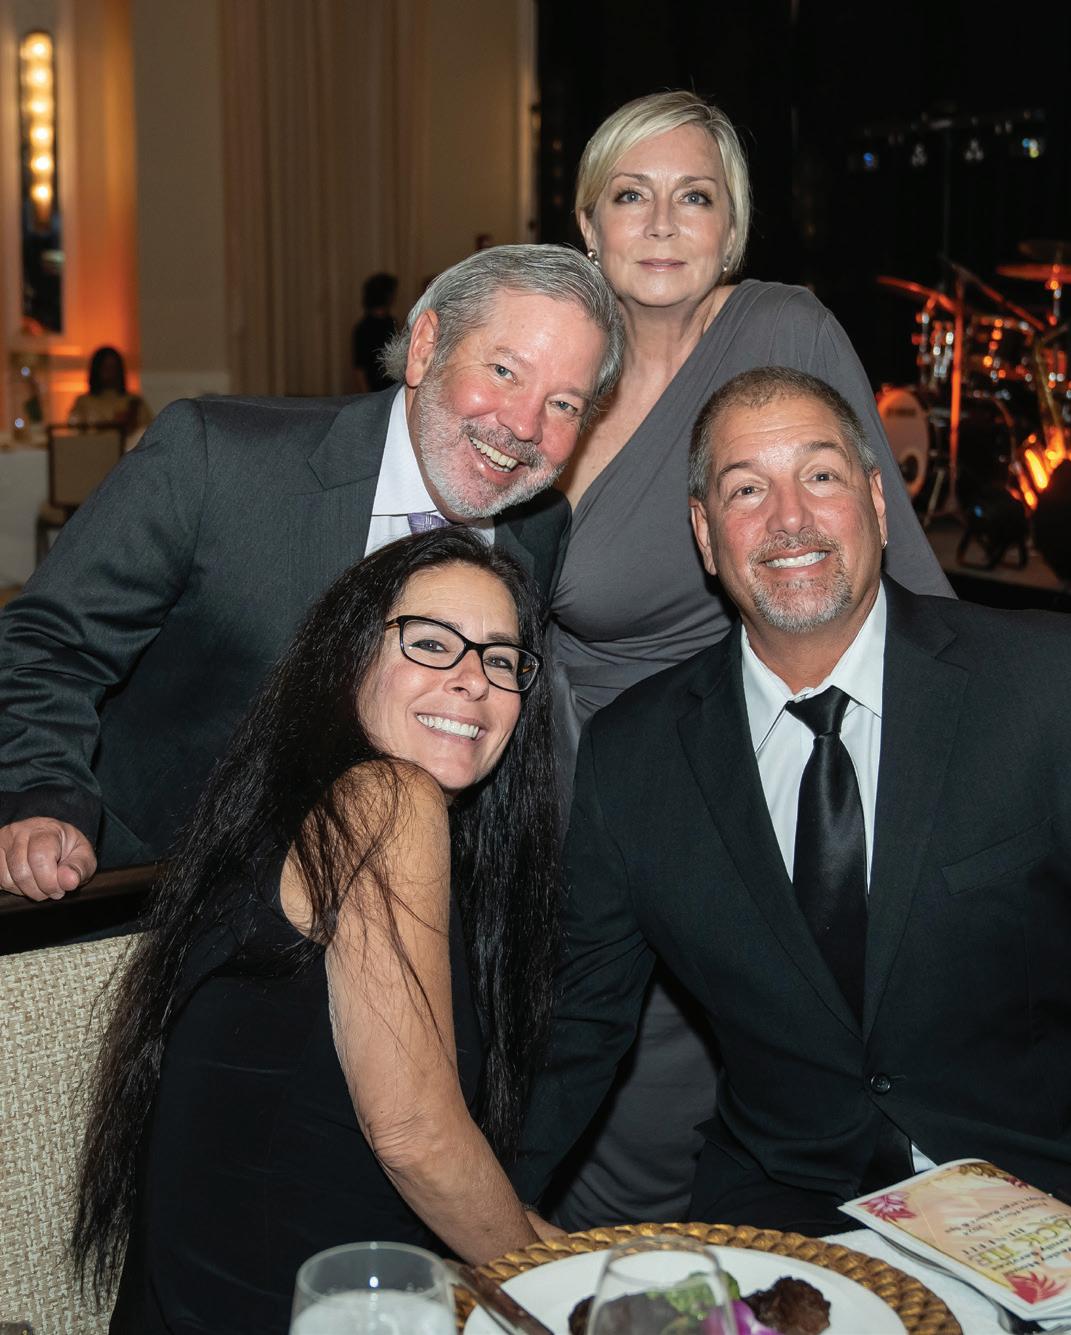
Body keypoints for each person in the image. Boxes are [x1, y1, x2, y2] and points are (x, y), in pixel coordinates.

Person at [515, 366, 1071, 1236]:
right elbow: (578, 1026)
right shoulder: (632, 755)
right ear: (705, 535)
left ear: (876, 500)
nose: (789, 518)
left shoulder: (1056, 684)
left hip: (1050, 1199)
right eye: (747, 489)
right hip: (785, 1212)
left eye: (821, 475)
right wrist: (484, 1221)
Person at [541, 90, 952, 1230]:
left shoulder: (783, 331)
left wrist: (964, 779)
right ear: (587, 224)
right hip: (549, 791)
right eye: (631, 195)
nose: (662, 223)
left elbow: (892, 553)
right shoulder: (550, 355)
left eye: (695, 197)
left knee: (701, 1134)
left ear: (732, 228)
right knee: (567, 1103)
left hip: (733, 795)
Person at [0, 244, 621, 901]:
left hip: (399, 901)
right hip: (161, 886)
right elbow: (51, 641)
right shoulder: (219, 461)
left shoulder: (536, 531)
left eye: (564, 404)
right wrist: (42, 795)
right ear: (424, 348)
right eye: (503, 370)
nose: (523, 424)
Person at [73, 529, 562, 1332]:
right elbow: (414, 1135)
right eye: (430, 642)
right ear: (350, 659)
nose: (473, 678)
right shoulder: (386, 801)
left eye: (501, 658)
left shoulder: (300, 813)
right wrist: (565, 1297)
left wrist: (590, 1260)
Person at [68, 345, 154, 440]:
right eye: (105, 368)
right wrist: (112, 424)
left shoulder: (134, 401)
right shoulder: (83, 402)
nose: (110, 373)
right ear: (97, 370)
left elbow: (149, 433)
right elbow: (74, 432)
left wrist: (131, 422)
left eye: (113, 367)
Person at [352, 271, 399, 393]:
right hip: (374, 390)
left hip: (392, 387)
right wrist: (367, 395)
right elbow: (360, 368)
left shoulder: (391, 322)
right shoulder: (363, 328)